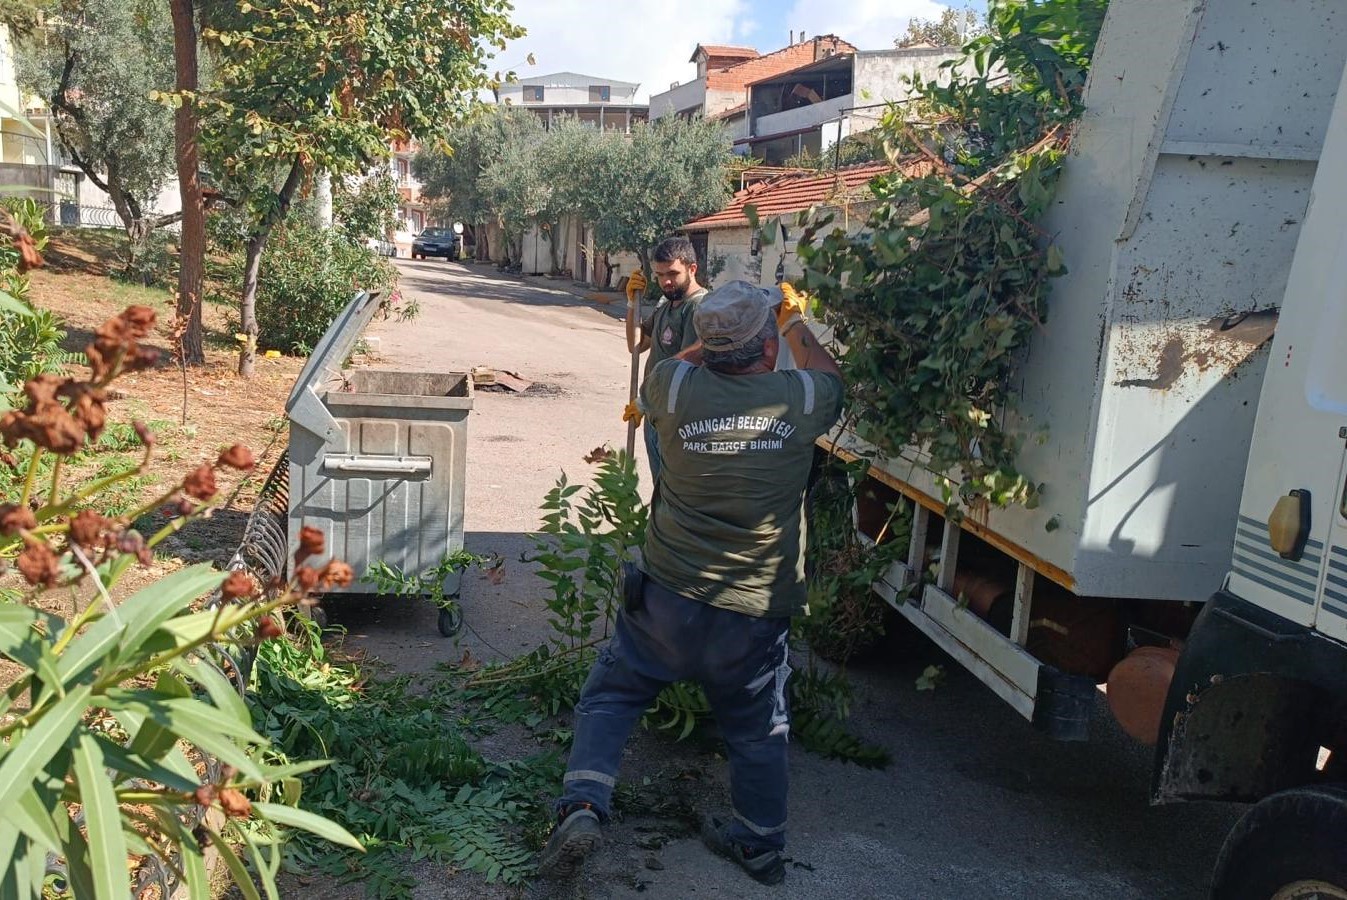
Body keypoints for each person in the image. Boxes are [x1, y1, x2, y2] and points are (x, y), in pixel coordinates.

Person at [540, 280, 845, 886]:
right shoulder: (801, 398)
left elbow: (680, 360)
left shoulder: (673, 387)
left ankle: (581, 808)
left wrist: (716, 336)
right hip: (752, 610)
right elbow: (831, 376)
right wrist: (790, 322)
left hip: (666, 599)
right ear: (767, 350)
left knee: (612, 695)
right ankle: (759, 846)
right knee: (758, 729)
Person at [622, 236, 708, 484]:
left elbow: (687, 370)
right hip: (655, 416)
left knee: (672, 491)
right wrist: (632, 304)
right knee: (660, 487)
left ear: (692, 269)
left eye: (672, 274)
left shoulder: (699, 308)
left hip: (677, 421)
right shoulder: (666, 305)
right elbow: (636, 345)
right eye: (660, 275)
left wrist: (646, 401)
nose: (666, 282)